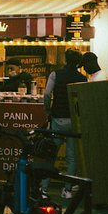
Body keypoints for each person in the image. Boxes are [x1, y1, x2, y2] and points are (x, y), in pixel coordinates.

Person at [43, 48, 87, 199]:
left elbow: (47, 94)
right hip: (74, 121)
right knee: (71, 157)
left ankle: (44, 189)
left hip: (57, 119)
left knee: (51, 154)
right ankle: (67, 189)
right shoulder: (82, 78)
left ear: (65, 59)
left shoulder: (56, 74)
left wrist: (48, 111)